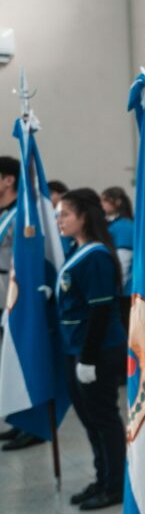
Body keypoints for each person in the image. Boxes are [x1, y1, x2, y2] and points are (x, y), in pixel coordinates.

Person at [55, 188, 128, 510]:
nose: (59, 220)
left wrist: (87, 358)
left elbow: (100, 311)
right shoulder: (76, 248)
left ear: (83, 217)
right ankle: (102, 478)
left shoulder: (96, 255)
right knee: (90, 419)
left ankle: (115, 486)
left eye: (65, 214)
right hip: (78, 349)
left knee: (104, 419)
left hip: (96, 352)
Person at [0, 156, 43, 451]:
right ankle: (18, 419)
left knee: (26, 356)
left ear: (8, 179)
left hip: (15, 295)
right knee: (8, 359)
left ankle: (35, 424)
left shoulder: (21, 214)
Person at [101, 186, 134, 330]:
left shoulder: (123, 226)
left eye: (105, 200)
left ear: (118, 202)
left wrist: (118, 286)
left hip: (124, 291)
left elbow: (123, 261)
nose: (102, 204)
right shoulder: (114, 224)